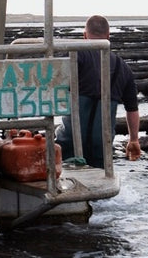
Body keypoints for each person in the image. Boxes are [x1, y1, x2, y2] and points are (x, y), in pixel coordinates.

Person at [56, 14, 142, 165]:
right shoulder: (123, 67)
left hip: (70, 144)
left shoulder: (75, 55)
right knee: (99, 179)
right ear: (108, 36)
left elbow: (51, 85)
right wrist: (133, 139)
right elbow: (132, 109)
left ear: (84, 35)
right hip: (102, 147)